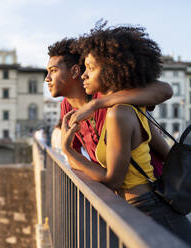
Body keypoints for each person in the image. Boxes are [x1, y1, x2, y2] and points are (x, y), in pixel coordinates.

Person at [61, 24, 191, 243]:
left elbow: (112, 179)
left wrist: (68, 151)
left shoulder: (118, 113)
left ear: (111, 69)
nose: (83, 75)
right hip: (141, 208)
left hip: (149, 210)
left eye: (90, 68)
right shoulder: (123, 106)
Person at [45, 38, 170, 177]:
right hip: (113, 193)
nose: (47, 78)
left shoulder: (108, 94)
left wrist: (96, 104)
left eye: (53, 71)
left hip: (153, 184)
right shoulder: (67, 107)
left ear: (75, 71)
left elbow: (164, 90)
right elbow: (73, 156)